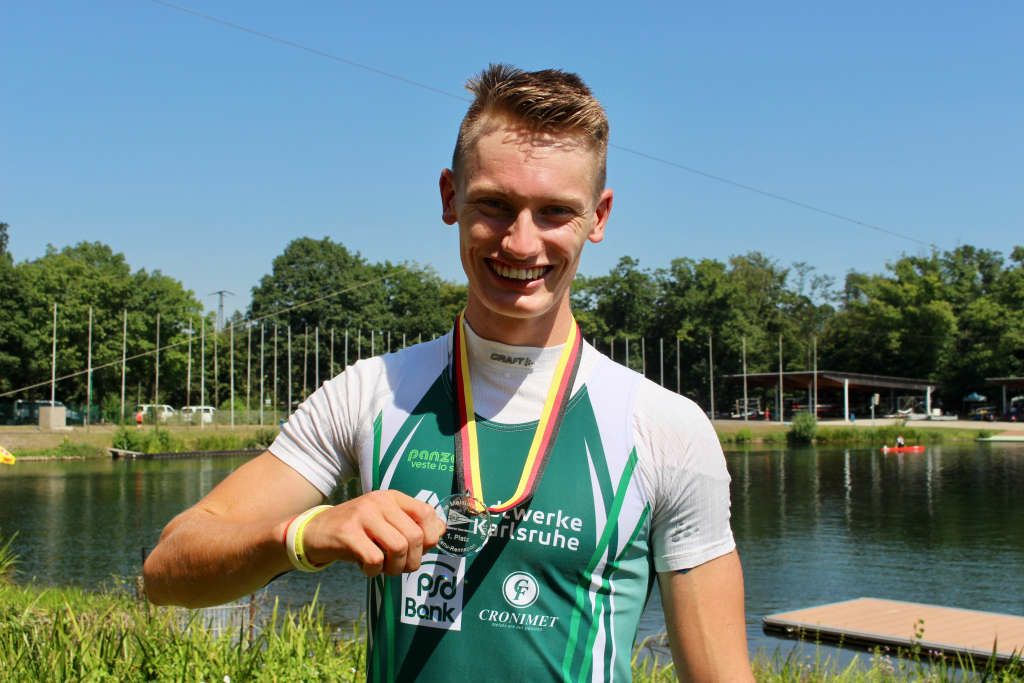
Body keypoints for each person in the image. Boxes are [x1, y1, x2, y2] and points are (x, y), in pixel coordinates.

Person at [143, 64, 752, 681]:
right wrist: (306, 533)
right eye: (494, 204)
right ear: (449, 198)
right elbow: (167, 571)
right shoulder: (369, 392)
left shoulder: (666, 428)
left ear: (598, 217)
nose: (520, 243)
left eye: (554, 212)